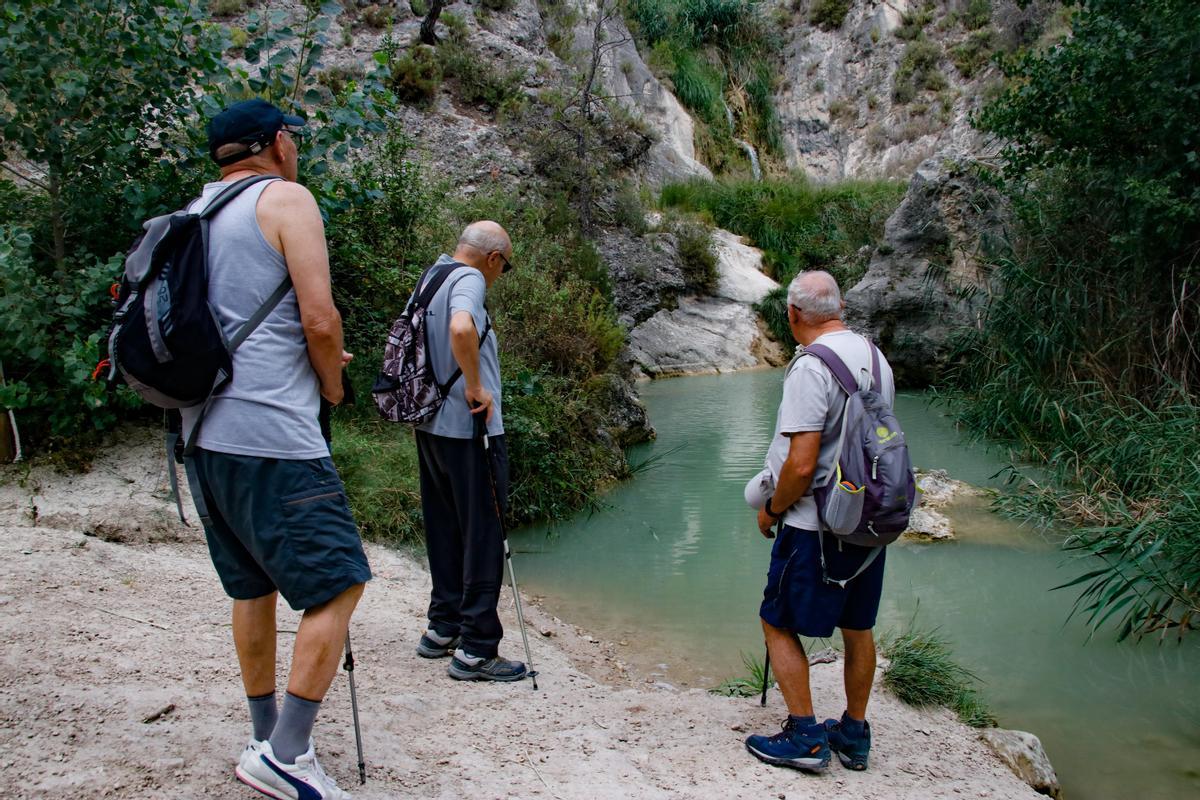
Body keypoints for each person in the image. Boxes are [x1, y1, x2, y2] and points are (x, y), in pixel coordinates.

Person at [182, 98, 371, 800]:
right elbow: (320, 319)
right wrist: (332, 386)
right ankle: (288, 755)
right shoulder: (287, 199)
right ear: (277, 143)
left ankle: (265, 734)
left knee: (252, 585)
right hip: (272, 434)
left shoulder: (197, 214)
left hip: (201, 434)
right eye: (293, 136)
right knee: (341, 581)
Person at [744, 270, 895, 773]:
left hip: (816, 525)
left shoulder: (811, 367)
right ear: (841, 307)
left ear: (792, 315)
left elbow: (802, 463)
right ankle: (853, 733)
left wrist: (771, 509)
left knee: (776, 620)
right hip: (867, 523)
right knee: (858, 625)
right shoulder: (876, 358)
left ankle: (806, 735)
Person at [411, 222, 528, 682]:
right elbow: (462, 326)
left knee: (444, 527)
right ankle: (477, 648)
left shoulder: (432, 275)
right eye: (506, 265)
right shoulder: (470, 279)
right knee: (482, 534)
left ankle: (443, 627)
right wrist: (477, 387)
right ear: (494, 258)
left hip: (430, 425)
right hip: (470, 430)